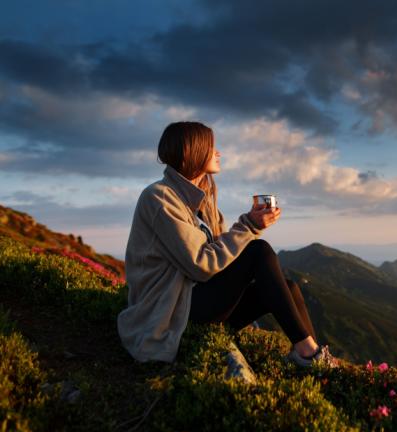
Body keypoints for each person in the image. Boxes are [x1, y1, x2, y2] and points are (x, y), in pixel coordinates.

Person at [117, 121, 338, 368]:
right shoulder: (159, 197)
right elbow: (200, 265)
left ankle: (313, 360)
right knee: (259, 251)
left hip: (197, 301)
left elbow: (221, 258)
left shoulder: (204, 199)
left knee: (289, 288)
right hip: (170, 311)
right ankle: (309, 355)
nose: (218, 153)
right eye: (212, 147)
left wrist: (250, 225)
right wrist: (249, 227)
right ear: (194, 151)